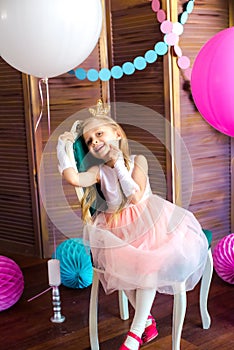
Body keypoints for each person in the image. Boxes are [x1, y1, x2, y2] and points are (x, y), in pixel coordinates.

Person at [56, 105, 208, 350]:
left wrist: (118, 163)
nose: (95, 141)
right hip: (116, 225)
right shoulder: (97, 171)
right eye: (90, 140)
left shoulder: (139, 160)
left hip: (149, 222)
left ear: (116, 132)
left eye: (99, 134)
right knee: (118, 264)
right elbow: (74, 179)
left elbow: (135, 197)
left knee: (148, 263)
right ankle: (146, 321)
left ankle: (134, 335)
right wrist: (62, 149)